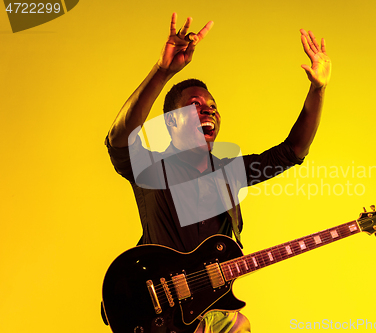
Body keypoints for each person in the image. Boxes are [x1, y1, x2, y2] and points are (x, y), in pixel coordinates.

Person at [105, 12, 331, 333]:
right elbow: (119, 138)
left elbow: (293, 150)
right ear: (172, 122)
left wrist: (319, 89)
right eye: (195, 105)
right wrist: (162, 72)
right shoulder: (153, 170)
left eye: (212, 105)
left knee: (242, 325)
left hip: (219, 315)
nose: (208, 109)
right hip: (167, 320)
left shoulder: (230, 173)